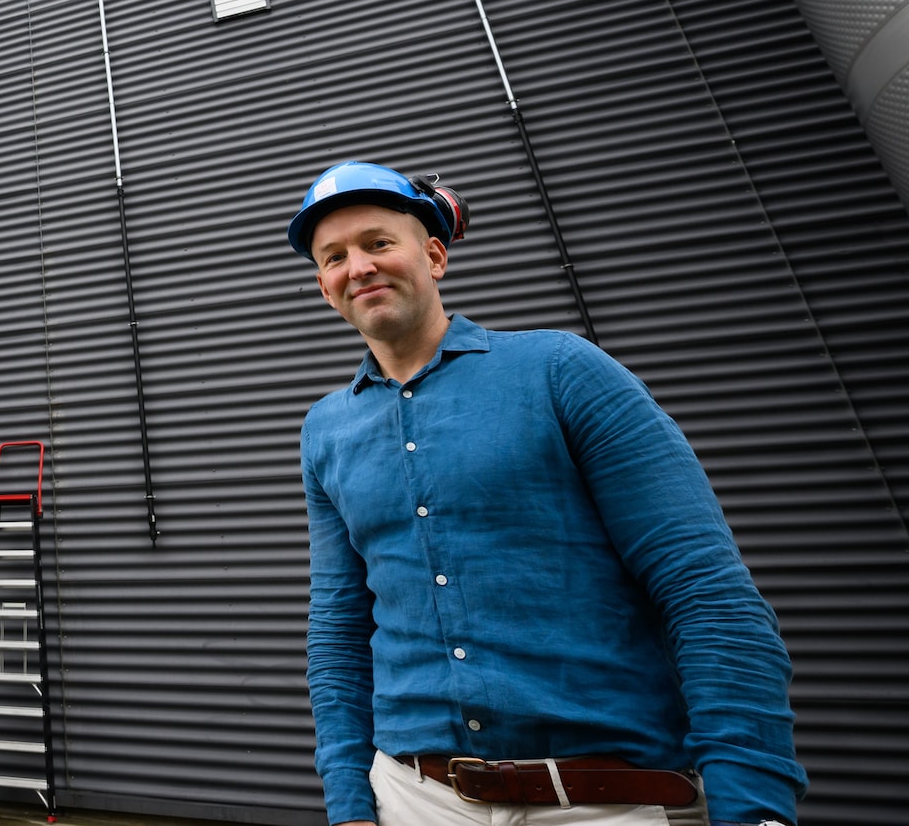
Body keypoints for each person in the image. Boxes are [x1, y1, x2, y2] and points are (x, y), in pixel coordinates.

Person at [289, 162, 802, 826]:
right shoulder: (324, 429)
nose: (358, 266)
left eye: (379, 242)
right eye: (335, 257)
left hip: (604, 801)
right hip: (412, 797)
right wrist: (350, 806)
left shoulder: (563, 371)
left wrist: (753, 807)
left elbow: (706, 593)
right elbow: (338, 630)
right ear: (325, 287)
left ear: (435, 254)